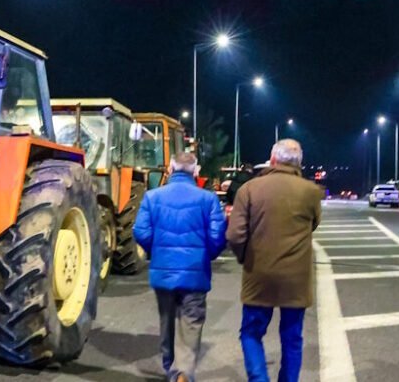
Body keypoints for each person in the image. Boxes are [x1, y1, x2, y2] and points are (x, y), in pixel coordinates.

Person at [226, 139, 322, 382]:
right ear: (299, 162)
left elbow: (235, 235)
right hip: (296, 278)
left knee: (250, 333)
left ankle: (259, 379)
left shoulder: (249, 189)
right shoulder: (311, 191)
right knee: (292, 337)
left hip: (259, 273)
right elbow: (313, 225)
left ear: (273, 158)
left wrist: (245, 258)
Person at [134, 151, 227, 382]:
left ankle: (169, 367)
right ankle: (183, 372)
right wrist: (207, 255)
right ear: (196, 171)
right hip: (195, 273)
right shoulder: (208, 199)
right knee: (191, 321)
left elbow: (141, 232)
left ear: (170, 169)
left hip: (163, 272)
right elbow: (217, 237)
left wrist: (157, 252)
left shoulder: (152, 197)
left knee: (167, 321)